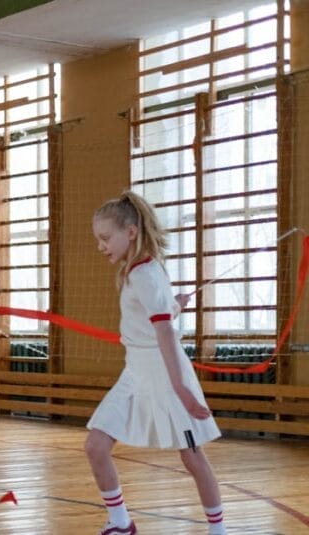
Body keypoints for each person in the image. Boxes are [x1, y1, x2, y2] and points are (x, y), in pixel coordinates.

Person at [86, 191, 225, 535]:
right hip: (135, 372)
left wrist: (181, 389)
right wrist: (176, 304)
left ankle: (218, 531)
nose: (101, 246)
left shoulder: (146, 274)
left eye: (106, 238)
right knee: (96, 445)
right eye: (98, 240)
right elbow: (159, 315)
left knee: (192, 457)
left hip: (165, 373)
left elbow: (164, 333)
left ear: (131, 232)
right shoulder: (139, 271)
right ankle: (121, 522)